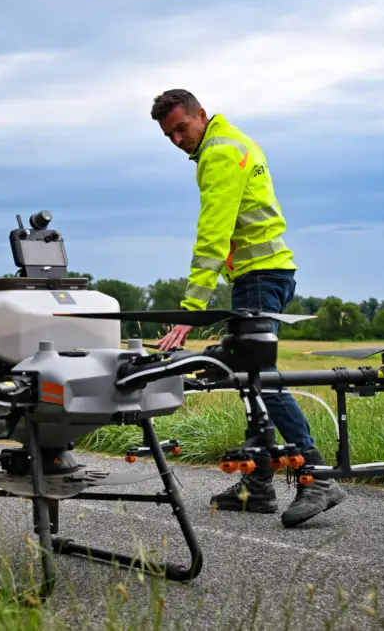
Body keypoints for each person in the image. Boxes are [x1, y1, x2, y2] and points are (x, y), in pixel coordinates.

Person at [149, 89, 346, 528]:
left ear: (201, 114)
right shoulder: (234, 140)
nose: (178, 140)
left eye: (181, 128)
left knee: (262, 379)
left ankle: (317, 475)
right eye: (169, 135)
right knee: (251, 377)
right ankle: (258, 484)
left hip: (259, 277)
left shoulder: (219, 153)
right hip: (266, 273)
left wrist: (191, 311)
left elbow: (213, 236)